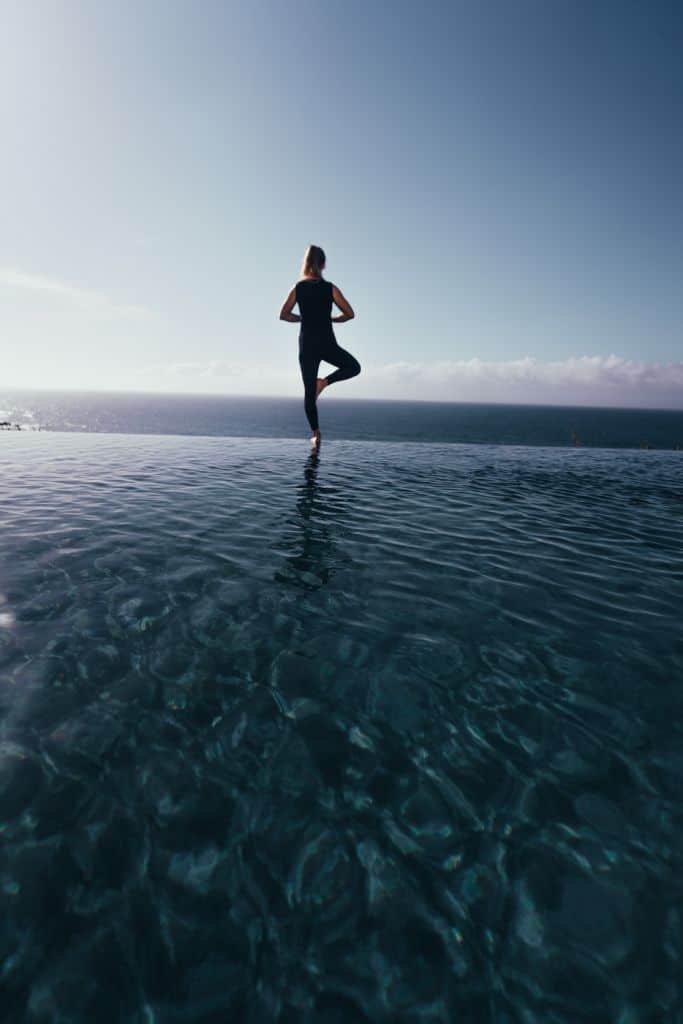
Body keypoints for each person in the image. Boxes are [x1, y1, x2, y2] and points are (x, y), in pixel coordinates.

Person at [279, 244, 360, 446]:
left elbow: (283, 315)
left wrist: (303, 318)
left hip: (307, 346)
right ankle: (324, 382)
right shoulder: (330, 288)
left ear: (305, 264)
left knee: (308, 394)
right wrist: (332, 319)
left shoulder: (297, 288)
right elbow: (350, 314)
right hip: (327, 343)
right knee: (354, 367)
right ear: (323, 264)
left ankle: (315, 434)